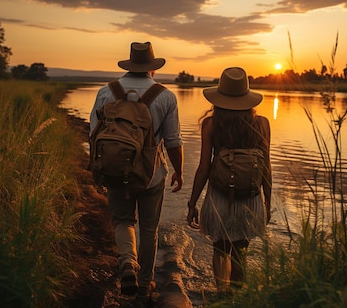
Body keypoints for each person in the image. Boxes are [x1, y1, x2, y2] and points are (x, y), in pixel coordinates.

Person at [89, 42, 184, 299]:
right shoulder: (165, 96)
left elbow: (93, 134)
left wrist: (99, 167)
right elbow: (173, 141)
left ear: (130, 65)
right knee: (149, 229)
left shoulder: (106, 92)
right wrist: (179, 171)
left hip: (115, 170)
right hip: (152, 175)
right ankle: (144, 285)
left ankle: (128, 263)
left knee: (123, 220)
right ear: (152, 68)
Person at [187, 67, 271, 294]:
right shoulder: (262, 123)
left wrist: (192, 202)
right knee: (240, 252)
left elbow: (203, 169)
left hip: (219, 195)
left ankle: (222, 294)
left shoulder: (211, 124)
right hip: (251, 198)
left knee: (220, 249)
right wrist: (268, 202)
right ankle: (237, 297)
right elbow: (266, 168)